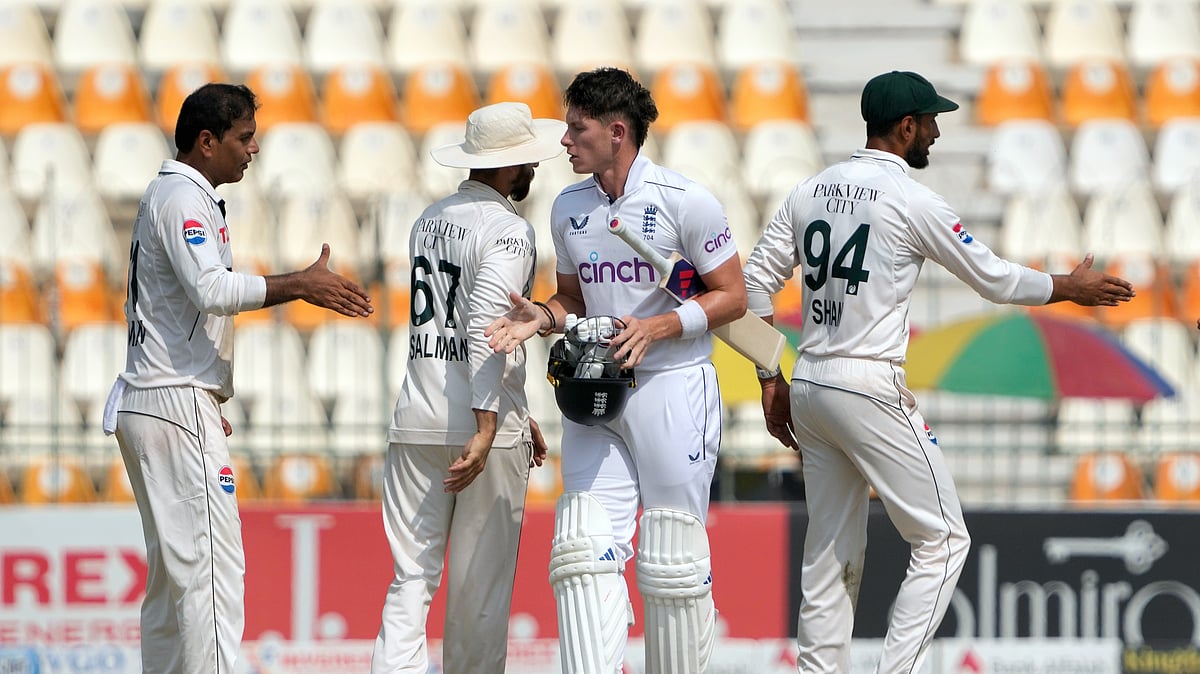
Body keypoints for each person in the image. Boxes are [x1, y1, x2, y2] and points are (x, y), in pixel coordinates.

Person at [740, 71, 1136, 673]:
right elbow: (992, 278)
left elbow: (752, 283)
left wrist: (771, 378)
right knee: (945, 539)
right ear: (905, 127)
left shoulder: (810, 190)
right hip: (867, 381)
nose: (936, 133)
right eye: (930, 122)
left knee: (829, 552)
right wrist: (1067, 286)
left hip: (812, 380)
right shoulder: (910, 200)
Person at [102, 83, 373, 674]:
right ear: (207, 141)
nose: (254, 149)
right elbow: (211, 290)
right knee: (211, 569)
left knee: (174, 578)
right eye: (244, 137)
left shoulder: (172, 193)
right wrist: (300, 284)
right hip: (173, 400)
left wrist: (205, 387)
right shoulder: (183, 198)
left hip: (161, 395)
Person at [486, 67, 747, 674]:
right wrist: (541, 317)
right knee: (583, 548)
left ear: (617, 132)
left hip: (672, 386)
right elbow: (573, 299)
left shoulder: (685, 201)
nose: (564, 141)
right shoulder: (568, 206)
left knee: (673, 555)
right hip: (594, 390)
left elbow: (732, 297)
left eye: (577, 129)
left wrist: (658, 328)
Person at [370, 102, 558, 674]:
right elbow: (485, 326)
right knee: (479, 596)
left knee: (410, 580)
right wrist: (489, 423)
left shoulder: (428, 219)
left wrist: (514, 408)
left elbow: (450, 325)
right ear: (508, 166)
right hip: (479, 431)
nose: (533, 170)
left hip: (417, 418)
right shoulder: (509, 229)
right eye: (527, 161)